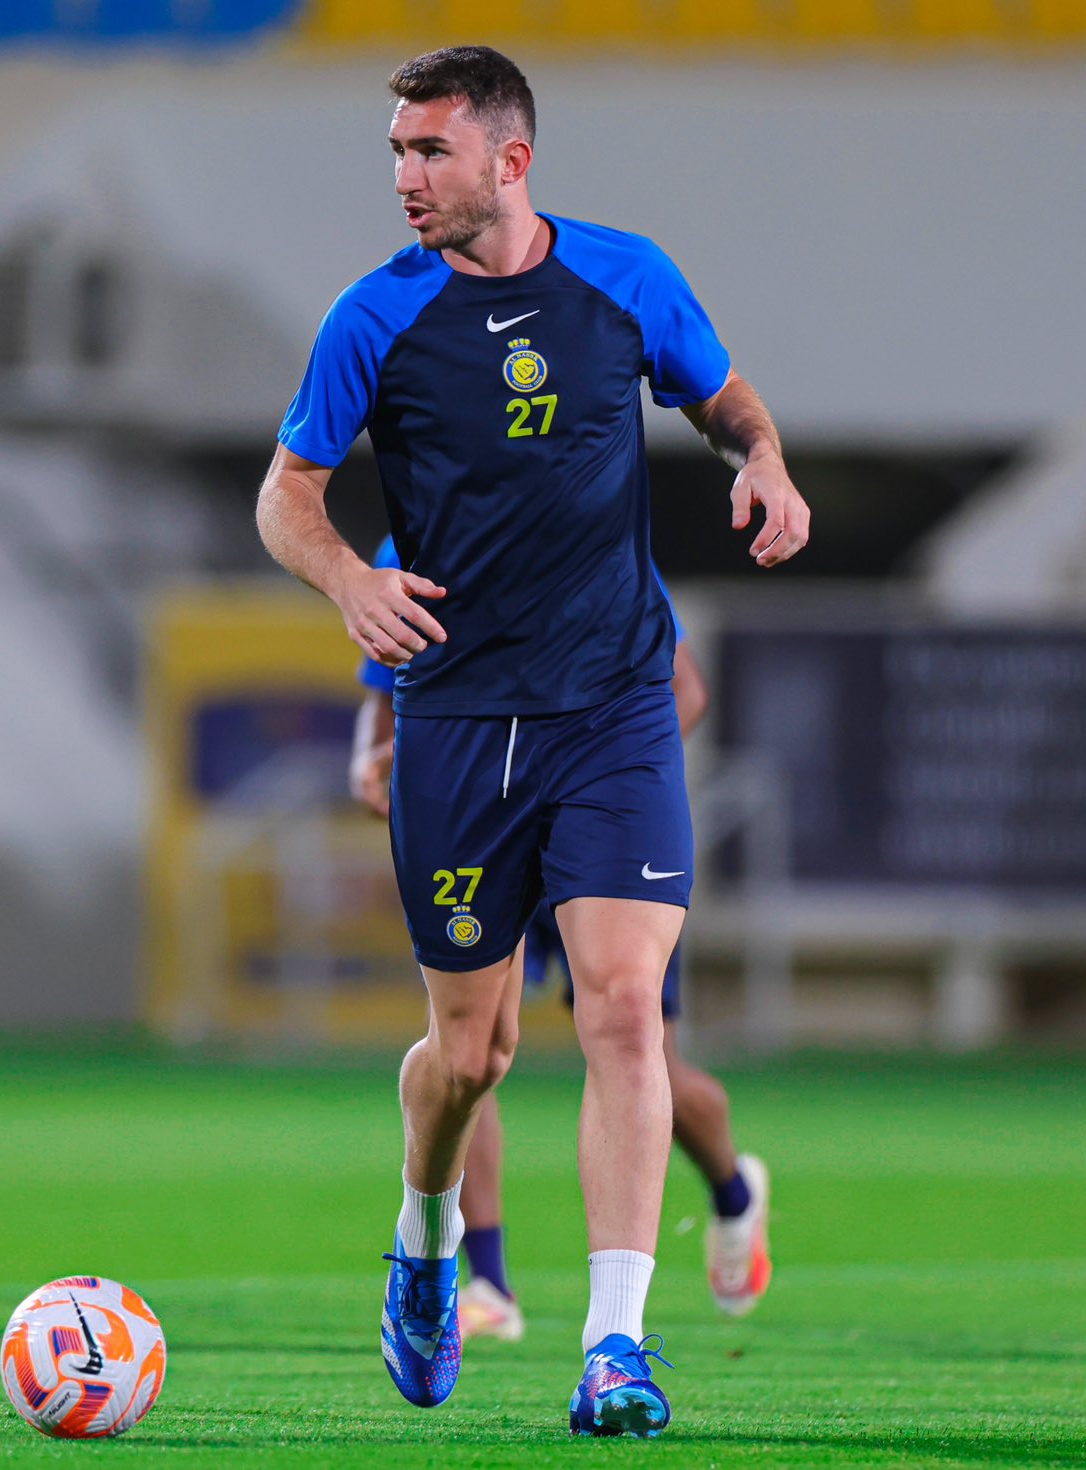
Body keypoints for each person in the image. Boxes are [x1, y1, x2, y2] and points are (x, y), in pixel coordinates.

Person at [255, 46, 809, 1438]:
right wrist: (347, 579)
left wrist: (762, 457)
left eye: (428, 151)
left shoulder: (626, 277)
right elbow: (288, 496)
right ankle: (429, 1235)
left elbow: (724, 395)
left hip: (615, 703)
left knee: (626, 1006)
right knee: (474, 1053)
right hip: (457, 719)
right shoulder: (373, 320)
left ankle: (615, 1343)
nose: (403, 177)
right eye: (394, 151)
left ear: (510, 160)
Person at [349, 534, 774, 1346]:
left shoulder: (590, 522)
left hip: (593, 834)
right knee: (471, 1052)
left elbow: (681, 689)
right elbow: (384, 687)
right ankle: (490, 1282)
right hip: (481, 815)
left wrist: (595, 794)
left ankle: (731, 1195)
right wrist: (373, 756)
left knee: (649, 1061)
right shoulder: (415, 534)